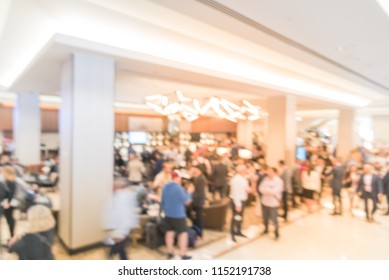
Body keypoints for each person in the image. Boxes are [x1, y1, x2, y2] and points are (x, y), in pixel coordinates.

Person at [161, 171, 194, 260]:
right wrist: (190, 192)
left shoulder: (165, 187)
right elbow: (186, 201)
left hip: (168, 214)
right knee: (183, 234)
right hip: (178, 215)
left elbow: (163, 201)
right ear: (177, 178)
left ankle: (170, 252)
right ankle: (183, 254)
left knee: (169, 233)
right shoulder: (178, 188)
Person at [102, 179, 138, 260]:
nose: (111, 188)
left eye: (113, 186)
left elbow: (126, 215)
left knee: (120, 249)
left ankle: (111, 254)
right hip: (117, 229)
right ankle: (111, 254)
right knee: (121, 250)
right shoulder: (116, 196)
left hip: (120, 229)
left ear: (119, 187)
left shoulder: (124, 197)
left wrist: (121, 233)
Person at [259, 167, 283, 240]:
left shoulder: (278, 181)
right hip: (264, 201)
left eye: (270, 171)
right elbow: (260, 188)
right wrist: (268, 190)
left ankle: (276, 232)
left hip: (273, 202)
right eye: (268, 171)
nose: (268, 173)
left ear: (275, 172)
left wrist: (266, 190)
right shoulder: (265, 179)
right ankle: (266, 229)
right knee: (265, 217)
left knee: (274, 218)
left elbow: (276, 191)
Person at [229, 165, 251, 242]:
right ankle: (232, 233)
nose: (246, 170)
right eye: (244, 169)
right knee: (235, 217)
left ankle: (238, 231)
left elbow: (246, 188)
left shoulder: (244, 178)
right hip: (237, 201)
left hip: (243, 200)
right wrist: (237, 204)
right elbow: (235, 193)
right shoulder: (236, 179)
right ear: (239, 171)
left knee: (240, 217)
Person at [0, 166, 22, 237]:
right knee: (10, 219)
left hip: (8, 204)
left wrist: (7, 202)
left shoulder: (11, 182)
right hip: (7, 203)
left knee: (10, 220)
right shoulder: (8, 181)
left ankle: (12, 236)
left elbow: (11, 194)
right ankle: (12, 236)